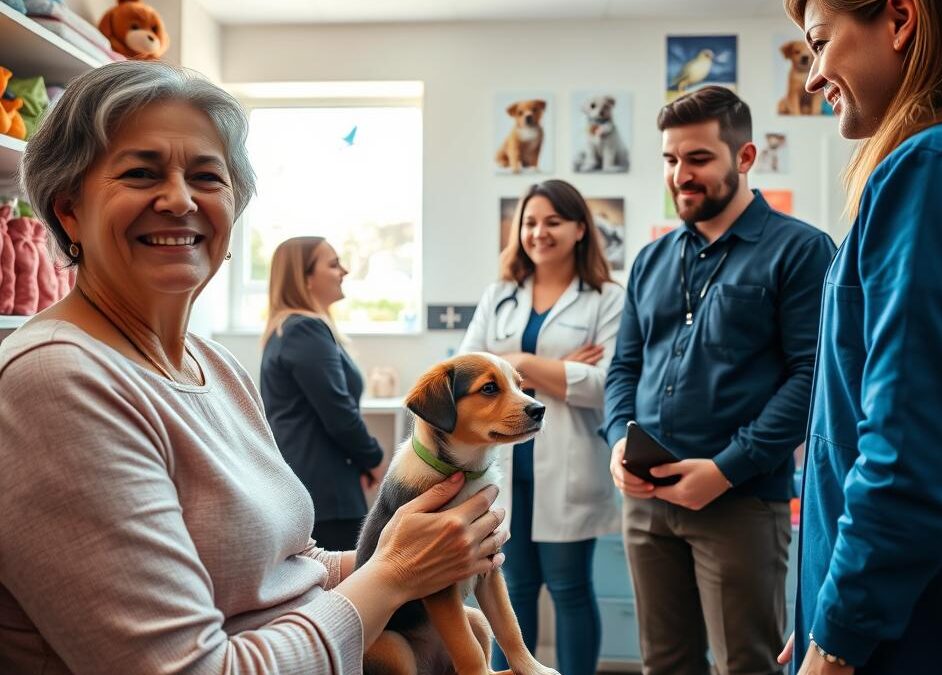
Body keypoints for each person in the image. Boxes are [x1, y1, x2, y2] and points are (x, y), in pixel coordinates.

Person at [0, 60, 507, 674]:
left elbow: (282, 567)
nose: (181, 199)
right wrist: (394, 574)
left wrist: (413, 554)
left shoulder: (211, 365)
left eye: (208, 177)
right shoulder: (55, 382)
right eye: (140, 172)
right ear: (69, 210)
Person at [603, 86, 836, 675]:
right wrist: (617, 442)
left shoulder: (800, 250)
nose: (681, 174)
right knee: (665, 663)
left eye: (699, 158)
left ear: (746, 157)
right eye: (671, 160)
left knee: (745, 665)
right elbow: (624, 367)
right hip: (647, 503)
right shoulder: (651, 260)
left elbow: (812, 379)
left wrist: (726, 468)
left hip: (739, 503)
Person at [777, 1, 942, 673]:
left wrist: (838, 637)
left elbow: (908, 452)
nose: (812, 77)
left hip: (914, 628)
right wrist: (827, 611)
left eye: (820, 43)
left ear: (902, 20)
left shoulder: (928, 169)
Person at [460, 179, 624, 675]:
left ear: (579, 229)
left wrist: (517, 362)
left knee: (571, 588)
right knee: (510, 587)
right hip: (506, 467)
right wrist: (553, 367)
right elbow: (467, 371)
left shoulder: (606, 298)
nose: (539, 232)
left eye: (553, 221)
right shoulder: (501, 295)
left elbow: (605, 383)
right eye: (530, 222)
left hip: (569, 463)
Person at [260, 236, 385, 551]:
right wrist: (373, 458)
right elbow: (339, 412)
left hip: (318, 485)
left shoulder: (290, 329)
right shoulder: (305, 330)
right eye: (333, 264)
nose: (344, 270)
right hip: (324, 493)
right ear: (305, 278)